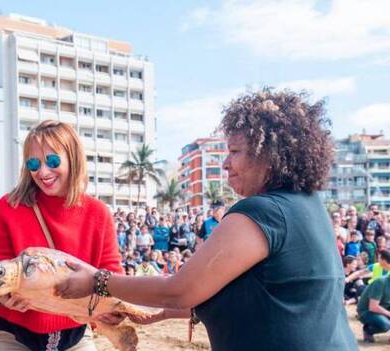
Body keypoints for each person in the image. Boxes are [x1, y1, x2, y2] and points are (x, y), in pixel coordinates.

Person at [56, 89, 358, 350]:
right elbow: (260, 298)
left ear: (269, 154)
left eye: (235, 151)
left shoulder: (263, 213)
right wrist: (154, 313)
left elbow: (180, 289)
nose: (226, 164)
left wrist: (98, 282)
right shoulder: (310, 207)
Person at [0, 120, 122, 351]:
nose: (43, 172)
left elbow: (111, 272)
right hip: (11, 329)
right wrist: (2, 297)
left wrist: (114, 309)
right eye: (34, 163)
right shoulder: (8, 208)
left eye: (53, 161)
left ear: (73, 158)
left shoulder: (98, 213)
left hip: (75, 331)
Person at [357, 275, 390, 342]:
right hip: (367, 311)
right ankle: (368, 330)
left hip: (383, 309)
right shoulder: (381, 282)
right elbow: (373, 307)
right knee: (386, 325)